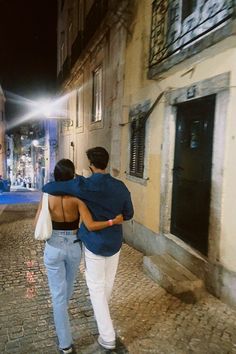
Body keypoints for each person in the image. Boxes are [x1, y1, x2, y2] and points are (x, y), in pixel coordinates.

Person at [43, 147, 134, 350]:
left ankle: (107, 336)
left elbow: (50, 187)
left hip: (94, 243)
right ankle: (102, 318)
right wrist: (115, 218)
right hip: (114, 243)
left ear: (91, 165)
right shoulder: (121, 187)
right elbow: (128, 214)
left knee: (95, 288)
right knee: (106, 285)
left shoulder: (83, 185)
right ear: (106, 163)